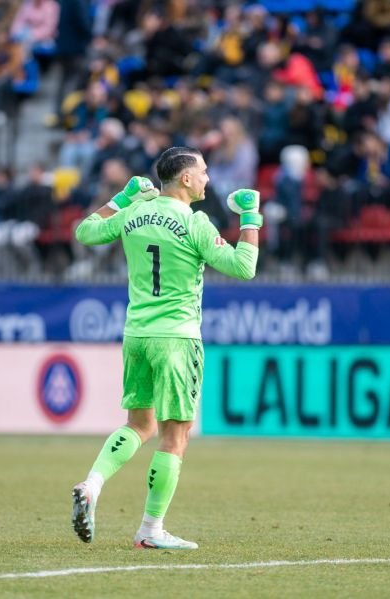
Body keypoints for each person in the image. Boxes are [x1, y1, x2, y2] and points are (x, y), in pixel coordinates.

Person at [70, 146, 262, 550]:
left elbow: (85, 232)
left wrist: (122, 197)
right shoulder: (195, 223)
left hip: (136, 335)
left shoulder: (135, 212)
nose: (207, 178)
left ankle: (92, 484)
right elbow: (244, 267)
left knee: (139, 425)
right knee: (176, 436)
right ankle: (151, 530)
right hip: (177, 338)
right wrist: (250, 216)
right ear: (186, 179)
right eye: (203, 171)